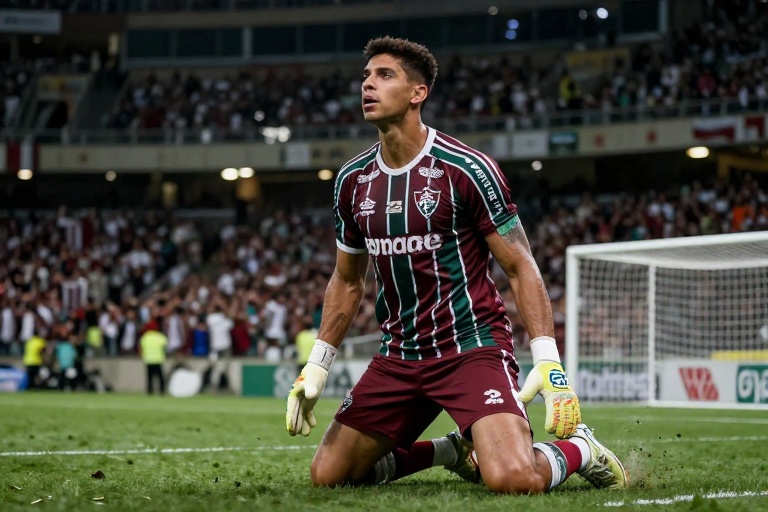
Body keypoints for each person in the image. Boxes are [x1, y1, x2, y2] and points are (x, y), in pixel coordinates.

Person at [285, 36, 628, 494]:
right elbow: (347, 281)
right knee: (330, 476)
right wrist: (317, 365)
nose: (367, 84)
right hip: (399, 355)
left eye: (384, 75)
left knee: (512, 478)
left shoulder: (467, 168)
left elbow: (520, 266)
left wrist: (548, 359)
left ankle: (580, 448)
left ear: (418, 93)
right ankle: (452, 450)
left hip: (470, 348)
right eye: (365, 76)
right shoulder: (352, 180)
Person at [139, 320, 167, 395]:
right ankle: (162, 391)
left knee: (149, 377)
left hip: (148, 360)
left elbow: (141, 349)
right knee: (160, 377)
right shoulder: (160, 337)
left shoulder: (145, 337)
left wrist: (142, 356)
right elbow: (165, 347)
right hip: (158, 359)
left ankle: (150, 391)